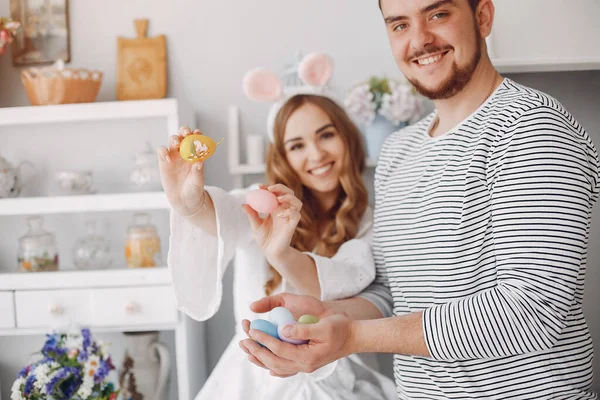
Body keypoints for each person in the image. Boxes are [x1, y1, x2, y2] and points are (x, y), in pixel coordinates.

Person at [239, 1, 600, 399]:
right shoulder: (398, 152)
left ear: (483, 17)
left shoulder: (532, 128)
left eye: (438, 14)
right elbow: (396, 293)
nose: (419, 40)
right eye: (399, 25)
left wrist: (354, 337)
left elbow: (531, 311)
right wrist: (330, 315)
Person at [157, 52, 397, 399]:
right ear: (282, 157)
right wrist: (190, 204)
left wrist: (281, 254)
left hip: (341, 384)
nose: (315, 155)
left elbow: (358, 296)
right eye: (296, 145)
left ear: (348, 137)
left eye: (326, 135)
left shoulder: (372, 222)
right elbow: (223, 213)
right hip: (256, 384)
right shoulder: (264, 203)